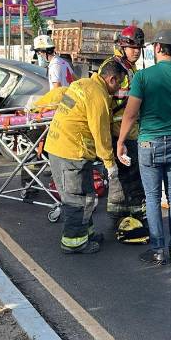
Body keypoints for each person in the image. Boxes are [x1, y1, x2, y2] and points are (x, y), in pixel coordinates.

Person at [116, 29, 171, 265]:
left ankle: (158, 250)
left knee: (152, 197)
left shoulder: (143, 77)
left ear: (158, 48)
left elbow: (130, 115)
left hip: (149, 142)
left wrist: (120, 142)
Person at [43, 60, 123, 254]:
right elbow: (101, 132)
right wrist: (110, 163)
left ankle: (85, 232)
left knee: (87, 195)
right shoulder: (98, 96)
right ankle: (73, 242)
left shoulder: (82, 84)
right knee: (76, 198)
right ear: (111, 79)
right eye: (119, 83)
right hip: (70, 152)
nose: (119, 89)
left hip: (63, 147)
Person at [99, 25, 149, 244]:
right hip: (119, 133)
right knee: (132, 179)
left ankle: (119, 214)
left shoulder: (131, 68)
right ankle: (136, 218)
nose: (136, 51)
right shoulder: (111, 68)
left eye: (138, 47)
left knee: (123, 179)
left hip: (130, 131)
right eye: (131, 47)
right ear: (121, 46)